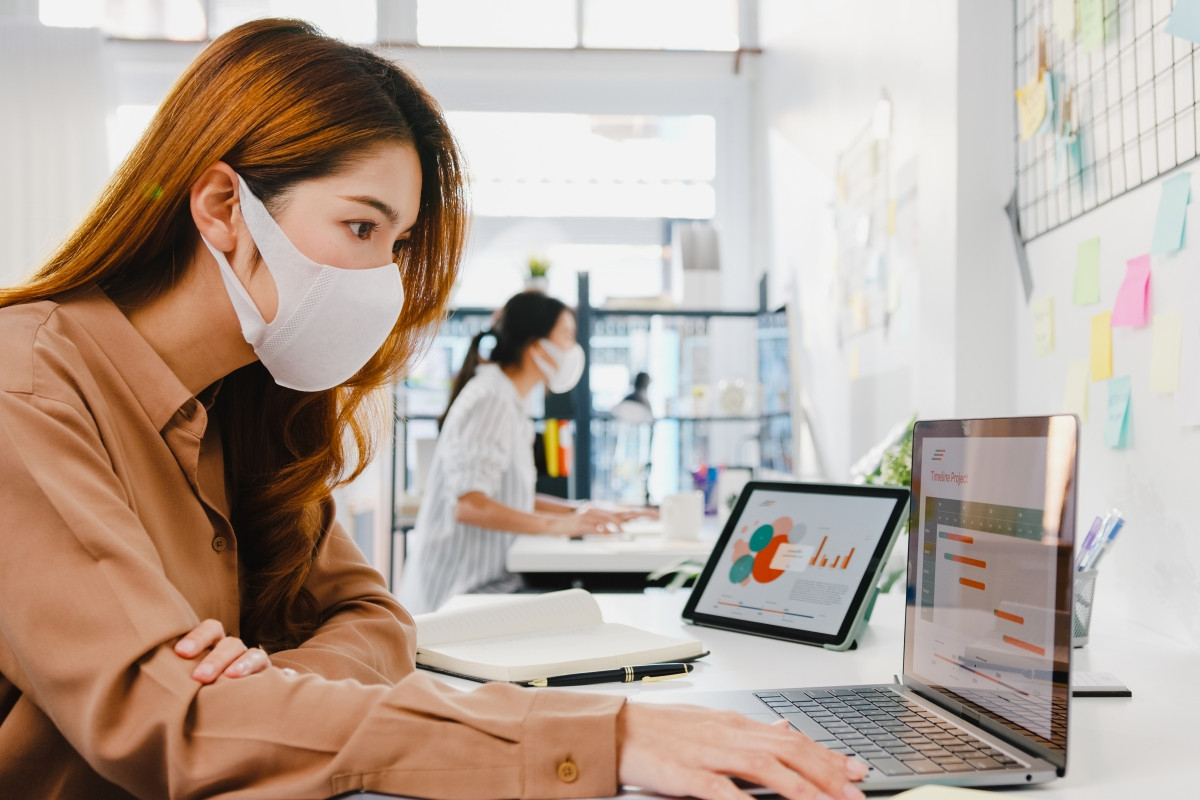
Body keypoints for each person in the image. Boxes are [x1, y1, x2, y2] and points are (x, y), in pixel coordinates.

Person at [0, 18, 867, 800]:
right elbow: (170, 723)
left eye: (400, 242)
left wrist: (268, 688)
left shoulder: (247, 404)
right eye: (363, 228)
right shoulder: (25, 387)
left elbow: (374, 620)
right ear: (226, 207)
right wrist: (603, 736)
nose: (384, 277)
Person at [399, 291, 650, 614]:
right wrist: (563, 526)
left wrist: (580, 511)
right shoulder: (492, 399)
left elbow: (509, 496)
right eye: (567, 336)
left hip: (488, 585)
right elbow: (470, 506)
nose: (574, 349)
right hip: (460, 596)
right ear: (536, 346)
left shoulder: (510, 400)